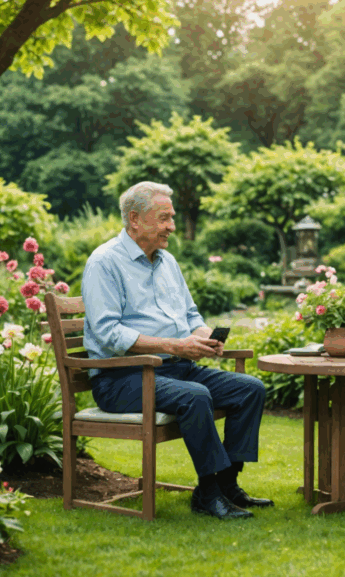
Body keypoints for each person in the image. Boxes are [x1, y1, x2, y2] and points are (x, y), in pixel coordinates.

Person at [82, 181, 271, 520]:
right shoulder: (104, 263)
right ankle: (208, 494)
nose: (172, 226)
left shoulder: (167, 261)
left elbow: (189, 316)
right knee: (196, 395)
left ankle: (226, 484)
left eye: (172, 217)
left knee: (250, 389)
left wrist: (204, 337)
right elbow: (107, 332)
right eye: (164, 218)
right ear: (136, 219)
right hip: (121, 378)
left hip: (176, 369)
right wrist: (174, 345)